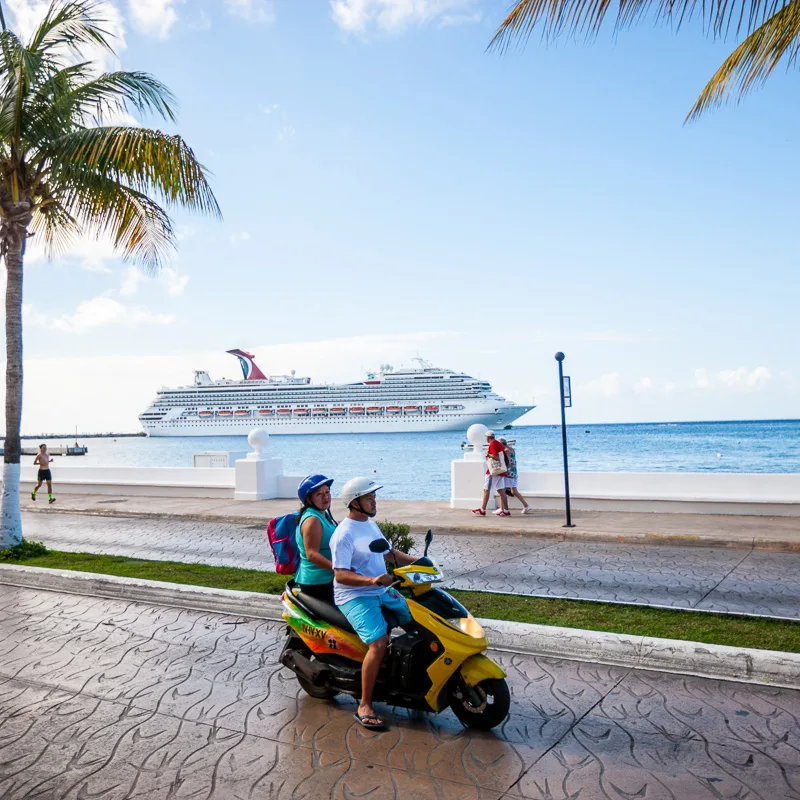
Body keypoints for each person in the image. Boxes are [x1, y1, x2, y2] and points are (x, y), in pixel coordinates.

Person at [330, 477, 418, 731]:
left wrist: (422, 562)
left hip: (380, 590)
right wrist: (372, 579)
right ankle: (365, 704)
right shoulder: (344, 534)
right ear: (355, 503)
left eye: (374, 497)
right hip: (355, 595)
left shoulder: (370, 526)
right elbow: (340, 574)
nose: (374, 501)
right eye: (369, 498)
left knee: (416, 620)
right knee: (378, 643)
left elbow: (391, 554)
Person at [294, 474, 337, 602]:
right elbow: (312, 554)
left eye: (327, 492)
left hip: (328, 578)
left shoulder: (323, 515)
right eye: (319, 494)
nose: (325, 496)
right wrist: (338, 569)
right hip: (318, 582)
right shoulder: (312, 520)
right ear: (308, 499)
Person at [472, 430, 510, 516]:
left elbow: (495, 457)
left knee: (486, 490)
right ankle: (506, 511)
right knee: (501, 491)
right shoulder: (498, 443)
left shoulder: (493, 444)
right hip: (501, 471)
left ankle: (482, 510)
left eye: (486, 437)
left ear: (488, 437)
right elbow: (506, 451)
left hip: (493, 472)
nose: (485, 438)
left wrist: (488, 454)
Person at [498, 437, 533, 514]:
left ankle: (502, 509)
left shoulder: (505, 450)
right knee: (514, 491)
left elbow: (506, 461)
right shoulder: (512, 449)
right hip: (514, 472)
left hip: (508, 473)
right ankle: (526, 505)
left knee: (502, 490)